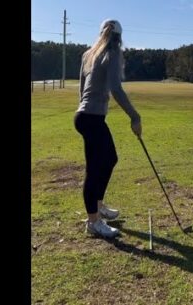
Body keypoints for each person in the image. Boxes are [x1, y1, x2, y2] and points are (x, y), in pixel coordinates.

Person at [74, 19, 142, 238]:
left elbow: (82, 89)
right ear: (118, 38)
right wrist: (135, 116)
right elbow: (116, 89)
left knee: (109, 159)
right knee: (94, 170)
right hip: (91, 118)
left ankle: (99, 204)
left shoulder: (88, 54)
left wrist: (84, 111)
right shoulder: (112, 53)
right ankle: (93, 222)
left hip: (84, 117)